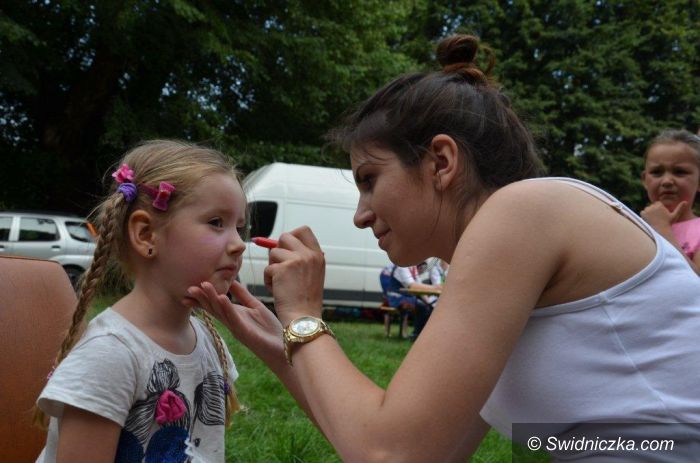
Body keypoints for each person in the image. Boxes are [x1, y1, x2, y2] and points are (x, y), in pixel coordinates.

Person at [188, 34, 700, 461]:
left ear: (441, 162)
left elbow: (392, 452)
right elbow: (416, 450)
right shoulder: (505, 263)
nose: (360, 214)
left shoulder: (524, 210)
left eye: (369, 179)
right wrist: (285, 349)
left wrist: (304, 316)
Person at [34, 140, 245, 462]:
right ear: (146, 234)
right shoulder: (110, 355)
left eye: (239, 227)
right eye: (217, 222)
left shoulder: (207, 341)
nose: (239, 244)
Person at [640, 129, 700, 274]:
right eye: (656, 172)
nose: (667, 181)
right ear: (644, 180)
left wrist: (663, 230)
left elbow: (695, 283)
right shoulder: (633, 228)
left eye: (680, 172)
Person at [379, 263, 438, 339]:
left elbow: (418, 284)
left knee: (426, 307)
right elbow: (412, 285)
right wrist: (435, 288)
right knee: (420, 307)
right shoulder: (401, 267)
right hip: (396, 298)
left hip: (406, 297)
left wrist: (429, 303)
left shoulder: (412, 267)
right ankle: (416, 335)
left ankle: (419, 334)